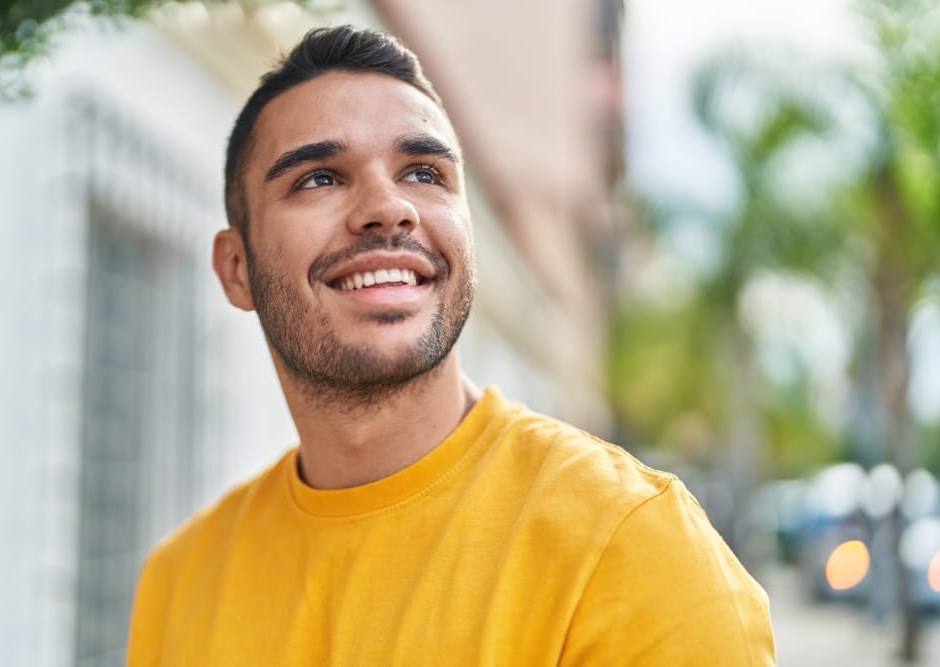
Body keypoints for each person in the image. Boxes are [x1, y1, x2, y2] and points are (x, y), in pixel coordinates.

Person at [127, 25, 775, 665]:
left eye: (424, 173)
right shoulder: (181, 581)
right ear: (236, 268)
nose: (388, 207)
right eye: (319, 178)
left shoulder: (628, 546)